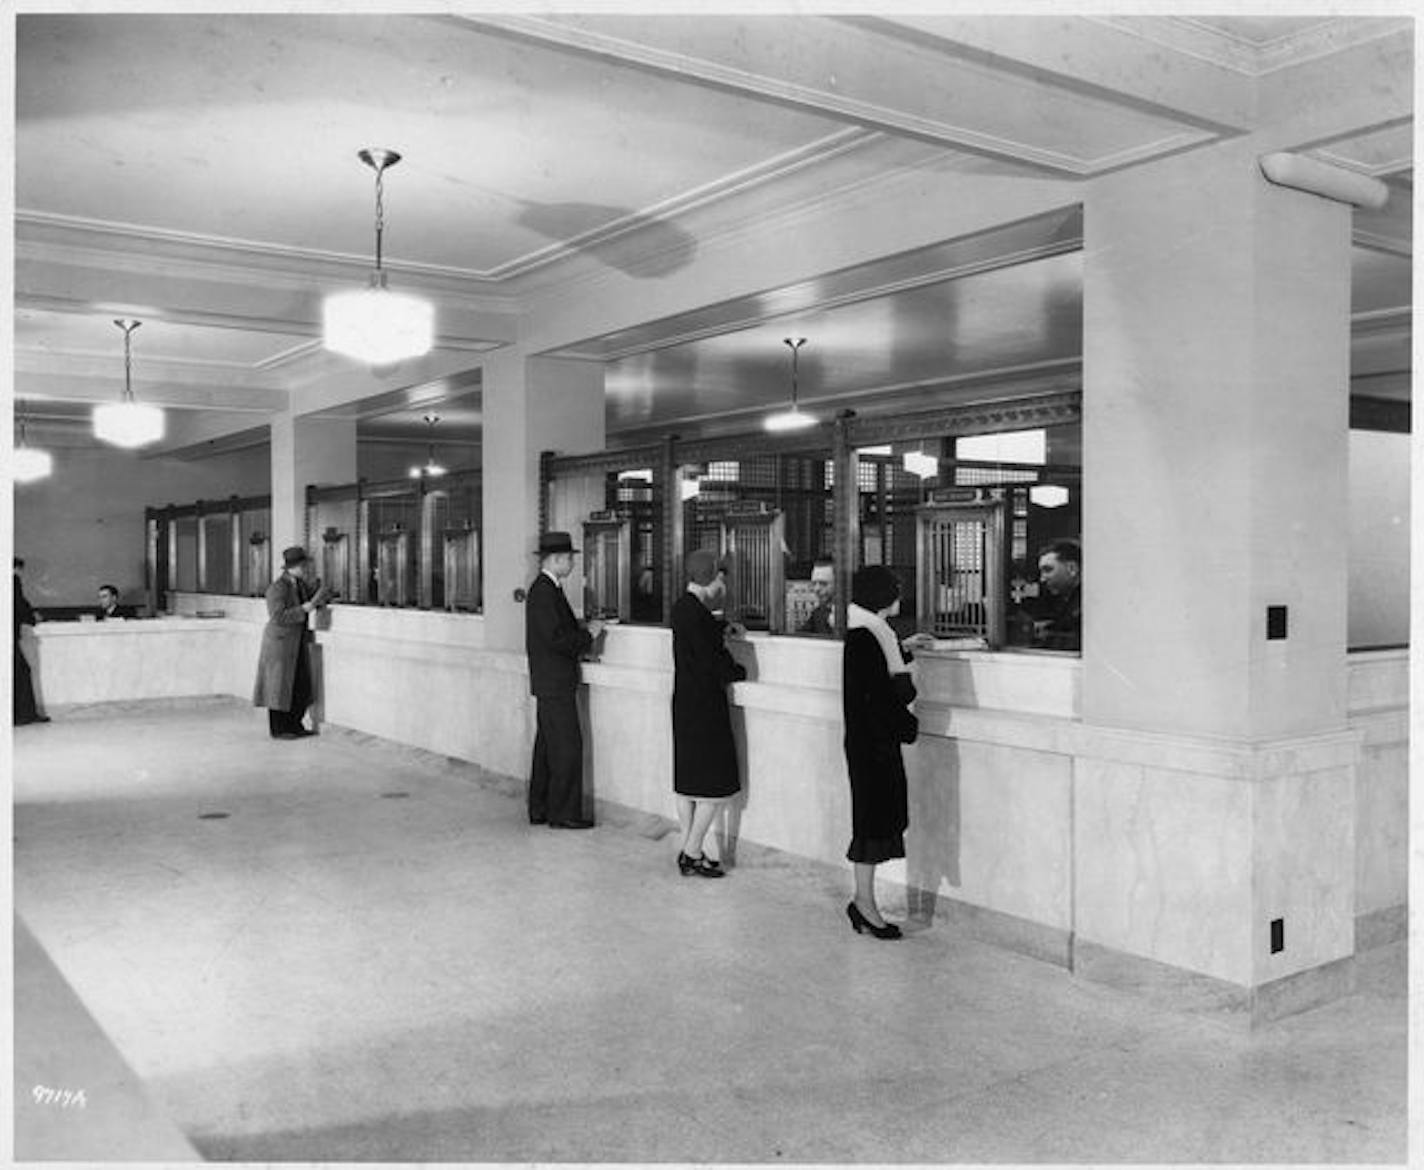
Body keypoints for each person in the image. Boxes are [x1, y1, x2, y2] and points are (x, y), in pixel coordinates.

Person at [842, 564, 918, 940]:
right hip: (872, 747)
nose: (899, 597)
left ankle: (864, 902)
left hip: (871, 744)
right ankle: (864, 905)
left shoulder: (871, 634)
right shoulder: (867, 638)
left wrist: (904, 649)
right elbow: (883, 695)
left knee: (871, 823)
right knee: (870, 825)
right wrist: (907, 724)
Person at [670, 549, 748, 878]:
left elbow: (700, 640)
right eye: (719, 576)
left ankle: (692, 848)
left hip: (685, 702)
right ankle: (691, 852)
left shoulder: (683, 608)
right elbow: (714, 664)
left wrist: (722, 629)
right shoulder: (700, 616)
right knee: (713, 785)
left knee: (688, 782)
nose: (722, 582)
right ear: (711, 578)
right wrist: (738, 669)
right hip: (705, 706)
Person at [525, 531, 605, 829]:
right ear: (556, 559)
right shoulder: (545, 591)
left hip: (550, 682)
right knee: (568, 747)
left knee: (548, 748)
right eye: (570, 557)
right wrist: (589, 635)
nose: (572, 562)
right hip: (555, 683)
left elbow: (555, 631)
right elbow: (557, 638)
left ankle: (541, 808)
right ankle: (564, 814)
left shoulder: (546, 589)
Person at [252, 546, 330, 739]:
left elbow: (314, 597)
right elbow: (278, 617)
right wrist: (305, 608)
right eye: (303, 565)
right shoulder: (278, 587)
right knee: (278, 689)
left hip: (296, 643)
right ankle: (279, 730)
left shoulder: (299, 584)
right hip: (280, 644)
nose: (305, 569)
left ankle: (295, 726)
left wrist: (320, 596)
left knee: (298, 686)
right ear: (292, 567)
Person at [13, 558, 50, 726]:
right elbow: (19, 604)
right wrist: (32, 617)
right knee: (21, 672)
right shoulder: (13, 579)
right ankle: (24, 715)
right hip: (11, 637)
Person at [1034, 539, 1082, 652]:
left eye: (1048, 570)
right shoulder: (1066, 601)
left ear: (1072, 569)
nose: (1042, 579)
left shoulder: (1084, 606)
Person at [798, 559, 835, 636]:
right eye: (814, 583)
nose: (817, 589)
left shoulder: (854, 615)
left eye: (823, 584)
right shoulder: (817, 614)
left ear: (838, 584)